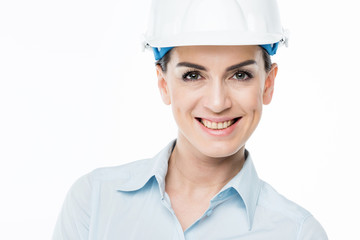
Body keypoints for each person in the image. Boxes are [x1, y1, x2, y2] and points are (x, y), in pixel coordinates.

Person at [53, 0, 328, 239]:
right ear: (163, 84)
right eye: (193, 76)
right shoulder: (94, 202)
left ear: (268, 84)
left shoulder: (297, 233)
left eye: (240, 75)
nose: (218, 102)